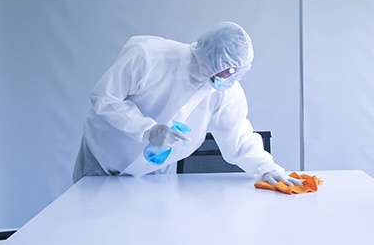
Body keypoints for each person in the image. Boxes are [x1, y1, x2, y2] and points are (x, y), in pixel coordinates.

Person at [73, 21, 302, 188]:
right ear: (214, 57)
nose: (232, 80)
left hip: (155, 170)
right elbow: (105, 97)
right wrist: (147, 129)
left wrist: (266, 167)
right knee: (91, 227)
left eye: (240, 72)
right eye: (231, 70)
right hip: (102, 157)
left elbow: (238, 135)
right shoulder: (149, 57)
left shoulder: (224, 89)